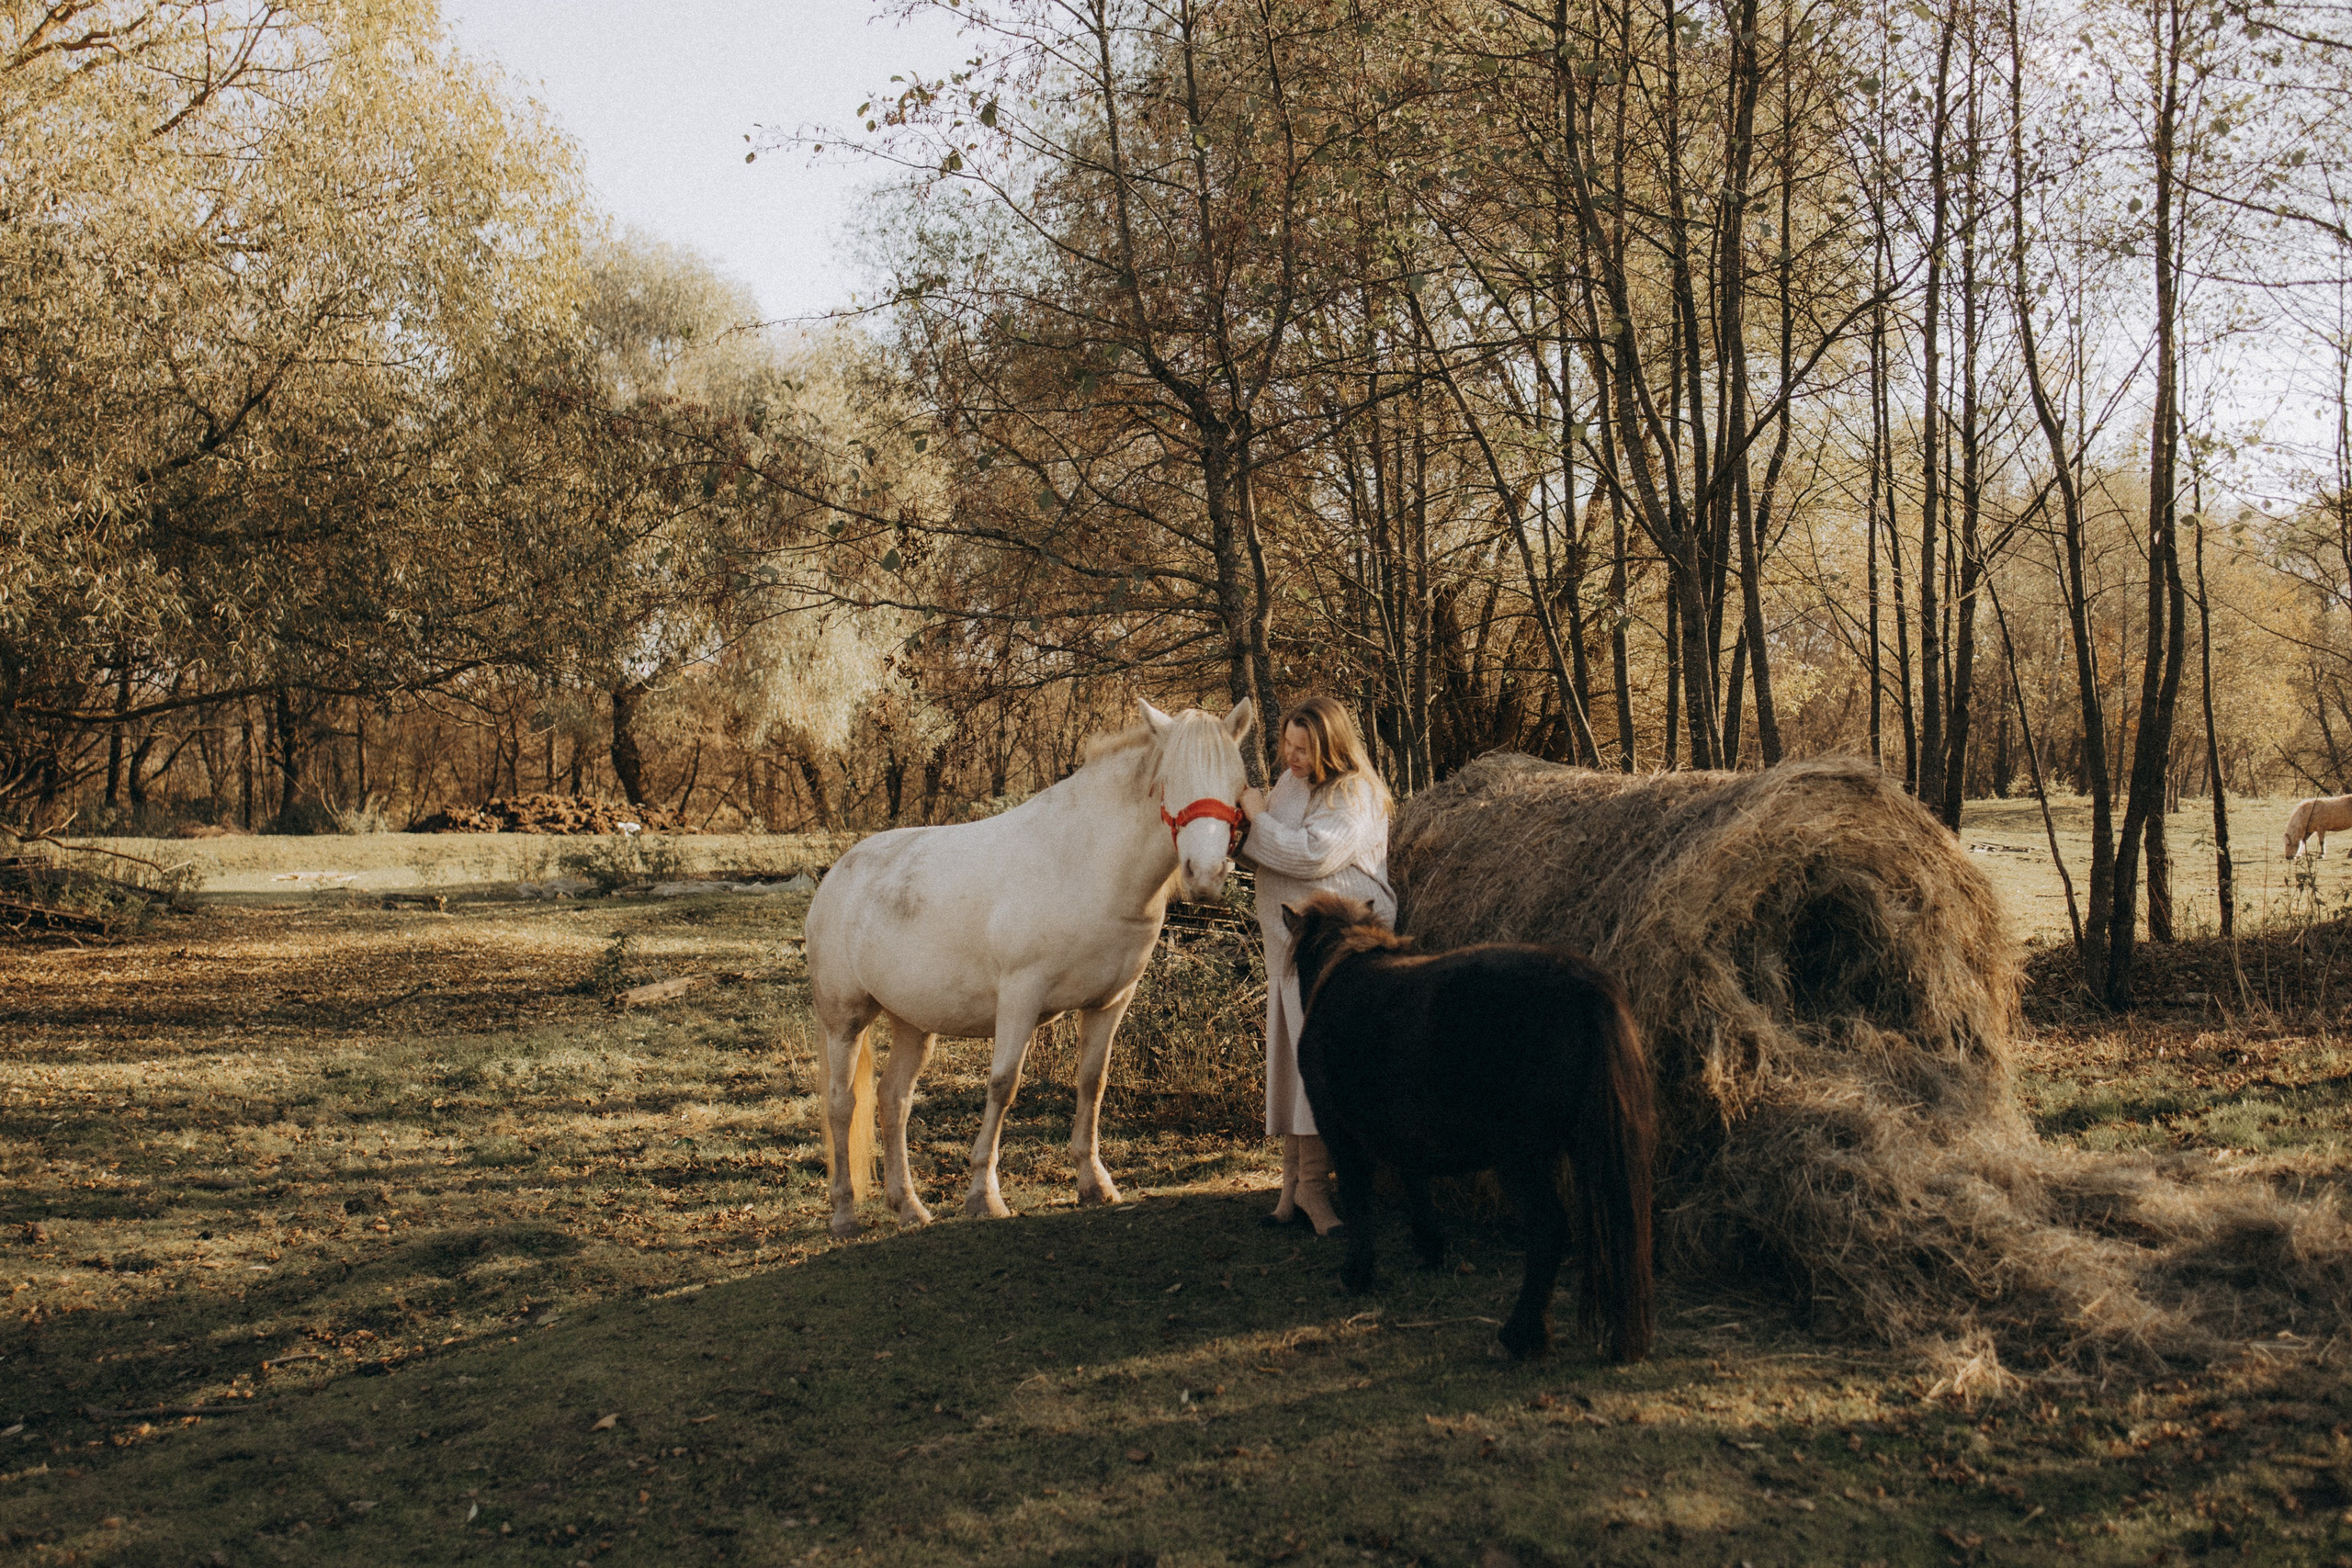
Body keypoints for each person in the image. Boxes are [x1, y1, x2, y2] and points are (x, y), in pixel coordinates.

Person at [1236, 695, 1395, 1236]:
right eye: (1287, 743)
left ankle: (1314, 1189)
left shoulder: (1354, 791)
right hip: (1291, 946)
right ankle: (1291, 1191)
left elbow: (1311, 854)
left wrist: (1256, 818)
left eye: (1304, 747)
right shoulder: (1291, 784)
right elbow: (1267, 851)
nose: (1292, 755)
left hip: (1339, 954)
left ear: (1331, 744)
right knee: (1294, 1065)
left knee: (1321, 1070)